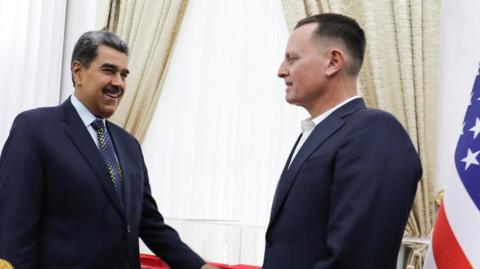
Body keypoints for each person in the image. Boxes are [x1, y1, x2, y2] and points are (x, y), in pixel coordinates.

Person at [0, 30, 218, 269]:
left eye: (124, 74)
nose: (118, 83)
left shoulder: (129, 145)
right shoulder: (35, 129)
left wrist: (198, 266)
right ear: (78, 72)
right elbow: (13, 225)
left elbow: (148, 222)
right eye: (109, 71)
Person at [263, 13, 422, 269]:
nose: (282, 71)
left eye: (293, 58)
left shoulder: (375, 132)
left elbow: (355, 258)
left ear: (333, 61)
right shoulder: (318, 133)